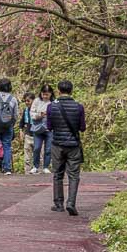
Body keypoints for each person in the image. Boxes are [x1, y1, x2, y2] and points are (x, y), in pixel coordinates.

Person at [47, 80, 86, 215]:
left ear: (58, 91)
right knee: (74, 175)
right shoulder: (79, 107)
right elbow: (82, 128)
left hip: (57, 145)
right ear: (71, 91)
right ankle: (71, 203)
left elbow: (49, 126)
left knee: (57, 174)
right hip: (73, 145)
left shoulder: (51, 107)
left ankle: (58, 204)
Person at [30, 85, 54, 174]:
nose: (45, 96)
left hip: (49, 128)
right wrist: (40, 115)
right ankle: (35, 166)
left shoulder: (53, 102)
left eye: (47, 94)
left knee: (48, 149)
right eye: (43, 94)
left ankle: (46, 166)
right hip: (38, 127)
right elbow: (31, 113)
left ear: (51, 94)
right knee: (37, 148)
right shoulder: (36, 101)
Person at [19, 92, 36, 171]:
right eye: (25, 101)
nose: (26, 102)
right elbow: (22, 122)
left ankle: (40, 173)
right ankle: (27, 173)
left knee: (39, 156)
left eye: (28, 101)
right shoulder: (25, 111)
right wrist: (21, 131)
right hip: (28, 135)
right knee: (27, 157)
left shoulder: (38, 110)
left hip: (37, 136)